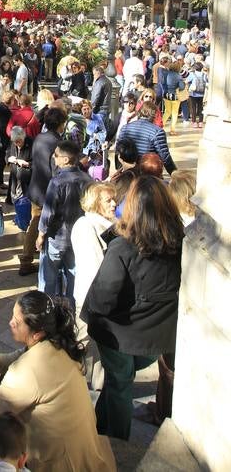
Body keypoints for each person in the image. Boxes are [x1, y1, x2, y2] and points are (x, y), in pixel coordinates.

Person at [0, 291, 115, 472]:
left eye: (17, 322)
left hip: (59, 464)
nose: (11, 323)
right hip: (85, 452)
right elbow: (21, 355)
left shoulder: (27, 371)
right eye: (12, 316)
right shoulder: (59, 342)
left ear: (37, 334)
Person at [81, 176, 184, 440]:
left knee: (119, 385)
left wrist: (90, 315)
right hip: (157, 333)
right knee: (119, 379)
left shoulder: (123, 247)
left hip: (121, 334)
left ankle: (115, 443)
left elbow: (103, 297)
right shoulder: (181, 242)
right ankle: (100, 426)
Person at [70, 181, 117, 390]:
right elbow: (95, 268)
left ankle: (98, 385)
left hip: (98, 298)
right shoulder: (88, 227)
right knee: (83, 342)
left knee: (98, 347)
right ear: (95, 203)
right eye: (108, 200)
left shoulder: (105, 225)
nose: (114, 204)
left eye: (114, 199)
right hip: (92, 298)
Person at [36, 140, 92, 304]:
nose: (54, 158)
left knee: (48, 279)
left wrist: (40, 235)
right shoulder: (87, 179)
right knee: (73, 276)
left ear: (66, 159)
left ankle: (48, 308)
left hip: (57, 238)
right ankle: (71, 309)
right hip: (78, 239)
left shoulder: (57, 182)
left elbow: (48, 212)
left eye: (56, 155)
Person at [18, 105, 66, 276]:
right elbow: (56, 170)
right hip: (47, 191)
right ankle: (28, 259)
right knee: (40, 223)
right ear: (61, 124)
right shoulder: (58, 143)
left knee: (35, 222)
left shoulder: (39, 137)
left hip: (36, 188)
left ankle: (27, 257)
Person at [117, 103, 176, 174]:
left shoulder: (125, 128)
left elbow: (118, 151)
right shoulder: (157, 132)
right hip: (147, 174)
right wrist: (175, 175)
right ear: (155, 115)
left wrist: (120, 171)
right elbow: (165, 158)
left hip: (128, 173)